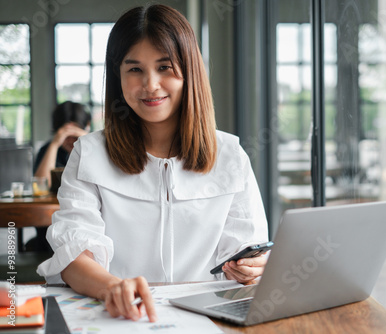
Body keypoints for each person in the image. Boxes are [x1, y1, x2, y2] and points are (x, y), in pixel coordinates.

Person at [37, 4, 269, 323]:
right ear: (117, 76)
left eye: (164, 67)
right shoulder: (89, 152)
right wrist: (113, 288)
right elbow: (73, 254)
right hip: (121, 317)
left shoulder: (230, 154)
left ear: (190, 72)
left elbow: (248, 249)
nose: (150, 85)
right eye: (134, 69)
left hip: (211, 319)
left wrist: (252, 267)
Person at [26, 101, 90, 252]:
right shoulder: (48, 149)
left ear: (86, 127)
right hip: (51, 228)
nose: (70, 140)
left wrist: (87, 139)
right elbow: (41, 185)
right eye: (65, 134)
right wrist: (54, 144)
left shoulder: (94, 147)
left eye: (75, 133)